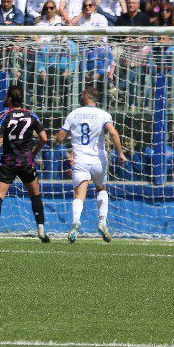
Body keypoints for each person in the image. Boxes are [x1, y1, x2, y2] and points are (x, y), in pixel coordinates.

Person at [55, 86, 127, 243]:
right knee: (101, 188)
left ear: (86, 96)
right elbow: (113, 133)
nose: (80, 96)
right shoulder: (103, 114)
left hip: (80, 159)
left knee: (79, 194)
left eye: (82, 94)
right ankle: (102, 221)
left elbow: (60, 137)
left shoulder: (74, 114)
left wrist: (54, 140)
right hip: (98, 160)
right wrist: (120, 152)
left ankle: (75, 223)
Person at [0, 84, 50, 243]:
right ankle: (41, 229)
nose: (4, 98)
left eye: (6, 96)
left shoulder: (3, 117)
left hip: (8, 161)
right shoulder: (32, 116)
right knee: (35, 195)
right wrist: (34, 152)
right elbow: (44, 138)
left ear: (11, 99)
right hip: (26, 161)